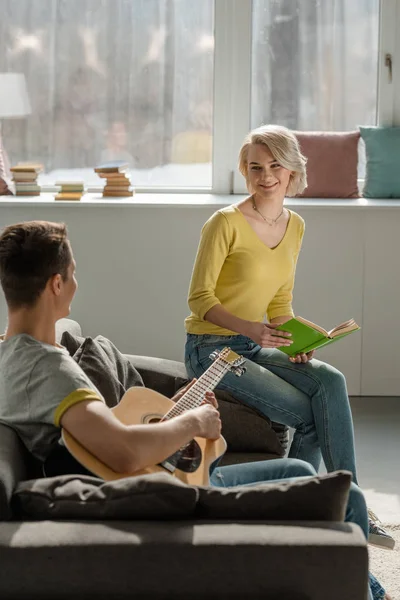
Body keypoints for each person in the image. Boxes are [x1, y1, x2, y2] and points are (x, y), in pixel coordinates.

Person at [0, 221, 389, 600]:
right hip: (161, 496)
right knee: (346, 496)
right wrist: (194, 421)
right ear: (55, 284)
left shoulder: (12, 353)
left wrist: (176, 407)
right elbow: (124, 450)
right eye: (72, 274)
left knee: (301, 471)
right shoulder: (52, 370)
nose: (75, 283)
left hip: (146, 482)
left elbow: (103, 431)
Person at [184, 124, 395, 553]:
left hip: (255, 343)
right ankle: (319, 510)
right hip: (212, 349)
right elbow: (199, 298)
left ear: (292, 170)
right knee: (310, 414)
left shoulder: (294, 225)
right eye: (255, 166)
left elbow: (280, 300)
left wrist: (297, 340)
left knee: (330, 381)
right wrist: (250, 328)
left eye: (274, 166)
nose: (265, 176)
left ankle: (347, 498)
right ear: (244, 170)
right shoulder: (224, 222)